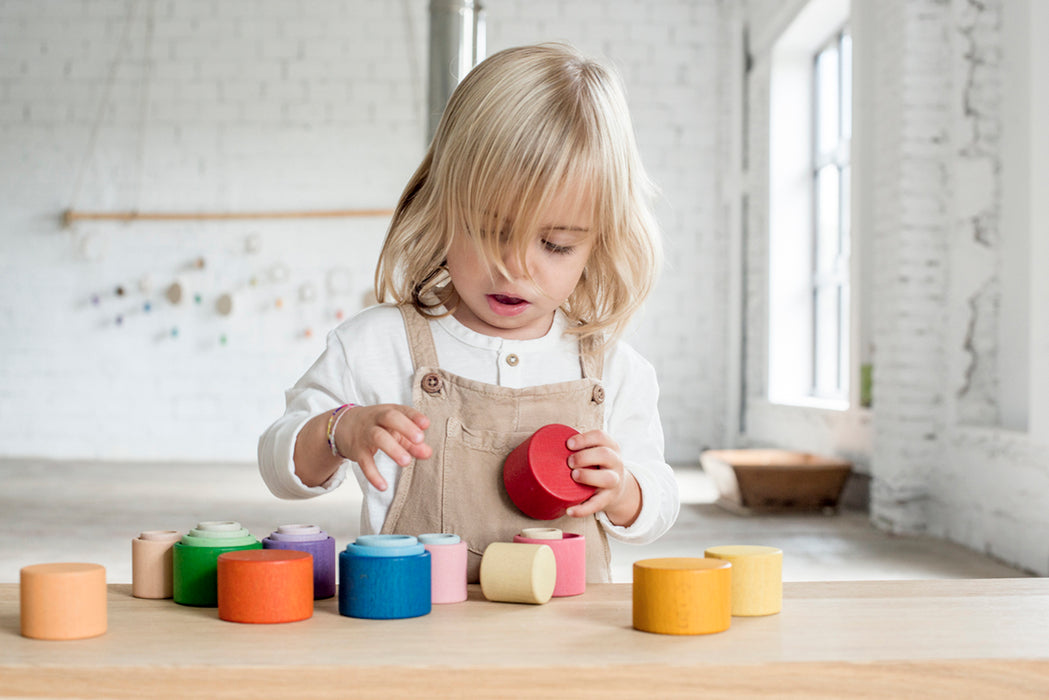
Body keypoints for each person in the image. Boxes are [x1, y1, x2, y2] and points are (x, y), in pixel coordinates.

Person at [258, 43, 679, 583]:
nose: (514, 269)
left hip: (564, 646)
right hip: (418, 634)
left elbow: (660, 503)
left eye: (554, 244)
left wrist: (625, 491)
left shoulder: (613, 371)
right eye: (490, 231)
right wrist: (338, 431)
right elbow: (279, 467)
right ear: (443, 206)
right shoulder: (377, 347)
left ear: (598, 242)